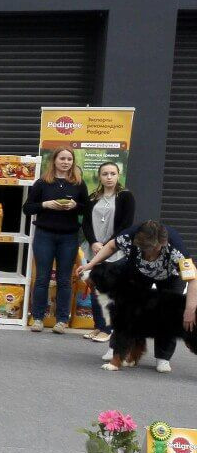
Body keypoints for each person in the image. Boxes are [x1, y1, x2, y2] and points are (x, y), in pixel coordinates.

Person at [78, 220, 197, 373]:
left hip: (171, 277)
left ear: (162, 243)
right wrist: (91, 264)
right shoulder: (130, 235)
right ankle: (127, 354)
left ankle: (163, 358)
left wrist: (190, 309)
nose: (149, 255)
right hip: (140, 273)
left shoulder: (176, 249)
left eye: (151, 250)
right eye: (144, 249)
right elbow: (110, 246)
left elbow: (193, 279)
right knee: (128, 319)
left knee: (168, 319)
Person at [23, 147, 89, 333]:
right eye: (62, 158)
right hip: (45, 235)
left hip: (69, 237)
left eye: (69, 159)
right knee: (42, 278)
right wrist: (45, 204)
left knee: (64, 279)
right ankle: (37, 318)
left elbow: (87, 209)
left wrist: (76, 205)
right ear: (54, 160)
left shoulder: (78, 184)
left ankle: (62, 320)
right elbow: (27, 208)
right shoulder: (42, 183)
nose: (66, 162)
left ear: (73, 162)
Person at [80, 162, 134, 344]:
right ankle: (98, 325)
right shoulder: (93, 197)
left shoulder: (126, 196)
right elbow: (85, 222)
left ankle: (109, 328)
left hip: (115, 250)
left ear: (118, 175)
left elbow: (126, 224)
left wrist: (107, 245)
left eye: (112, 173)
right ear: (99, 176)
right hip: (93, 248)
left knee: (110, 292)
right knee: (95, 287)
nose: (109, 177)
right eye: (105, 174)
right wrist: (94, 241)